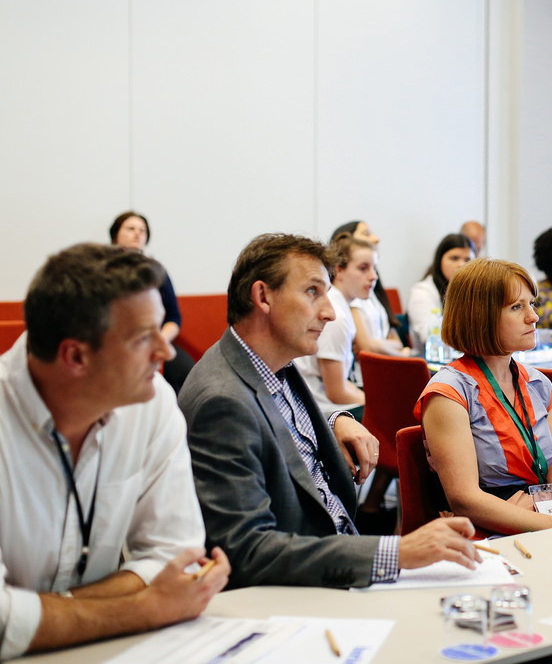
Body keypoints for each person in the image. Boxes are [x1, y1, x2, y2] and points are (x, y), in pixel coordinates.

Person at [179, 234, 479, 590]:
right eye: (312, 292)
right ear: (263, 297)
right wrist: (397, 552)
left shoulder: (271, 364)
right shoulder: (222, 402)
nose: (329, 311)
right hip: (305, 590)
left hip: (338, 555)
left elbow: (274, 424)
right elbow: (247, 552)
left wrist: (335, 420)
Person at [0, 244, 230, 659]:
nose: (166, 351)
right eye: (144, 338)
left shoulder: (153, 400)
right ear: (76, 356)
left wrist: (50, 614)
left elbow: (175, 556)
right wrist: (142, 609)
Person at [415, 258, 552, 534]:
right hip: (486, 534)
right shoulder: (450, 393)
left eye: (532, 304)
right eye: (516, 307)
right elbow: (465, 500)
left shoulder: (539, 385)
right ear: (479, 315)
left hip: (545, 525)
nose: (533, 317)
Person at [294, 233, 378, 420]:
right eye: (363, 268)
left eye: (374, 268)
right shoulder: (336, 317)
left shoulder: (342, 308)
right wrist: (377, 402)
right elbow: (336, 392)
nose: (373, 276)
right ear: (338, 271)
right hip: (321, 410)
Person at [109, 211, 195, 392]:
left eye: (142, 230)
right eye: (131, 228)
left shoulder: (156, 271)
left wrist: (160, 341)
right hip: (118, 343)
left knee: (187, 373)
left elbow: (173, 317)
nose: (138, 233)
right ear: (116, 234)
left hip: (156, 338)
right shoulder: (104, 271)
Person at [332, 220, 410, 357]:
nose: (376, 238)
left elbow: (396, 341)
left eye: (373, 267)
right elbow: (366, 346)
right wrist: (401, 354)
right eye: (366, 234)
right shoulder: (348, 297)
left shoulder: (368, 290)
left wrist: (377, 344)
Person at [407, 233, 475, 356]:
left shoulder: (474, 292)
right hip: (430, 367)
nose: (461, 265)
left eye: (467, 260)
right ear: (439, 261)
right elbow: (429, 339)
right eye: (454, 258)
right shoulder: (422, 292)